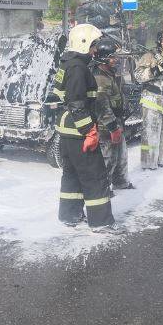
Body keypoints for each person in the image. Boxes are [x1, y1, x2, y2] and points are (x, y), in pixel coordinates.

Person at [52, 23, 116, 230]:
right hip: (79, 132)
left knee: (71, 175)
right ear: (83, 44)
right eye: (93, 45)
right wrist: (89, 131)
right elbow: (77, 103)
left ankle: (69, 215)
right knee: (94, 176)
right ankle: (101, 222)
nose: (95, 50)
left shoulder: (67, 64)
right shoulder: (78, 68)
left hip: (67, 132)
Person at [135, 28, 163, 170]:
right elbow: (138, 76)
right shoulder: (149, 56)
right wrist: (154, 70)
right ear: (160, 42)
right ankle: (148, 165)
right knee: (150, 135)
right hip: (151, 101)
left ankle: (162, 161)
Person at [92, 38, 133, 194]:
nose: (116, 60)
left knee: (121, 154)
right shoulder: (100, 78)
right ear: (103, 58)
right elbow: (102, 107)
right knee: (108, 158)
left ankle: (120, 182)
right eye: (112, 57)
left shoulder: (108, 74)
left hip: (116, 122)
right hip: (106, 127)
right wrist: (113, 128)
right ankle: (103, 189)